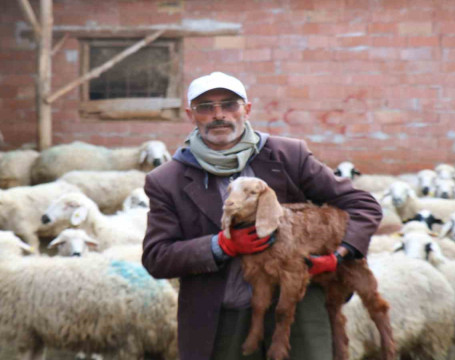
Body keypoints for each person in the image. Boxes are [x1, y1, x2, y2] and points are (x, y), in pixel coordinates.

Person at [141, 71, 382, 360]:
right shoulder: (168, 179)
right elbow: (157, 256)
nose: (219, 115)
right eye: (206, 107)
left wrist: (340, 255)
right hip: (223, 313)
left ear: (247, 109)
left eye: (229, 104)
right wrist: (220, 246)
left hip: (297, 308)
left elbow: (362, 204)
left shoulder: (287, 155)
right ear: (191, 114)